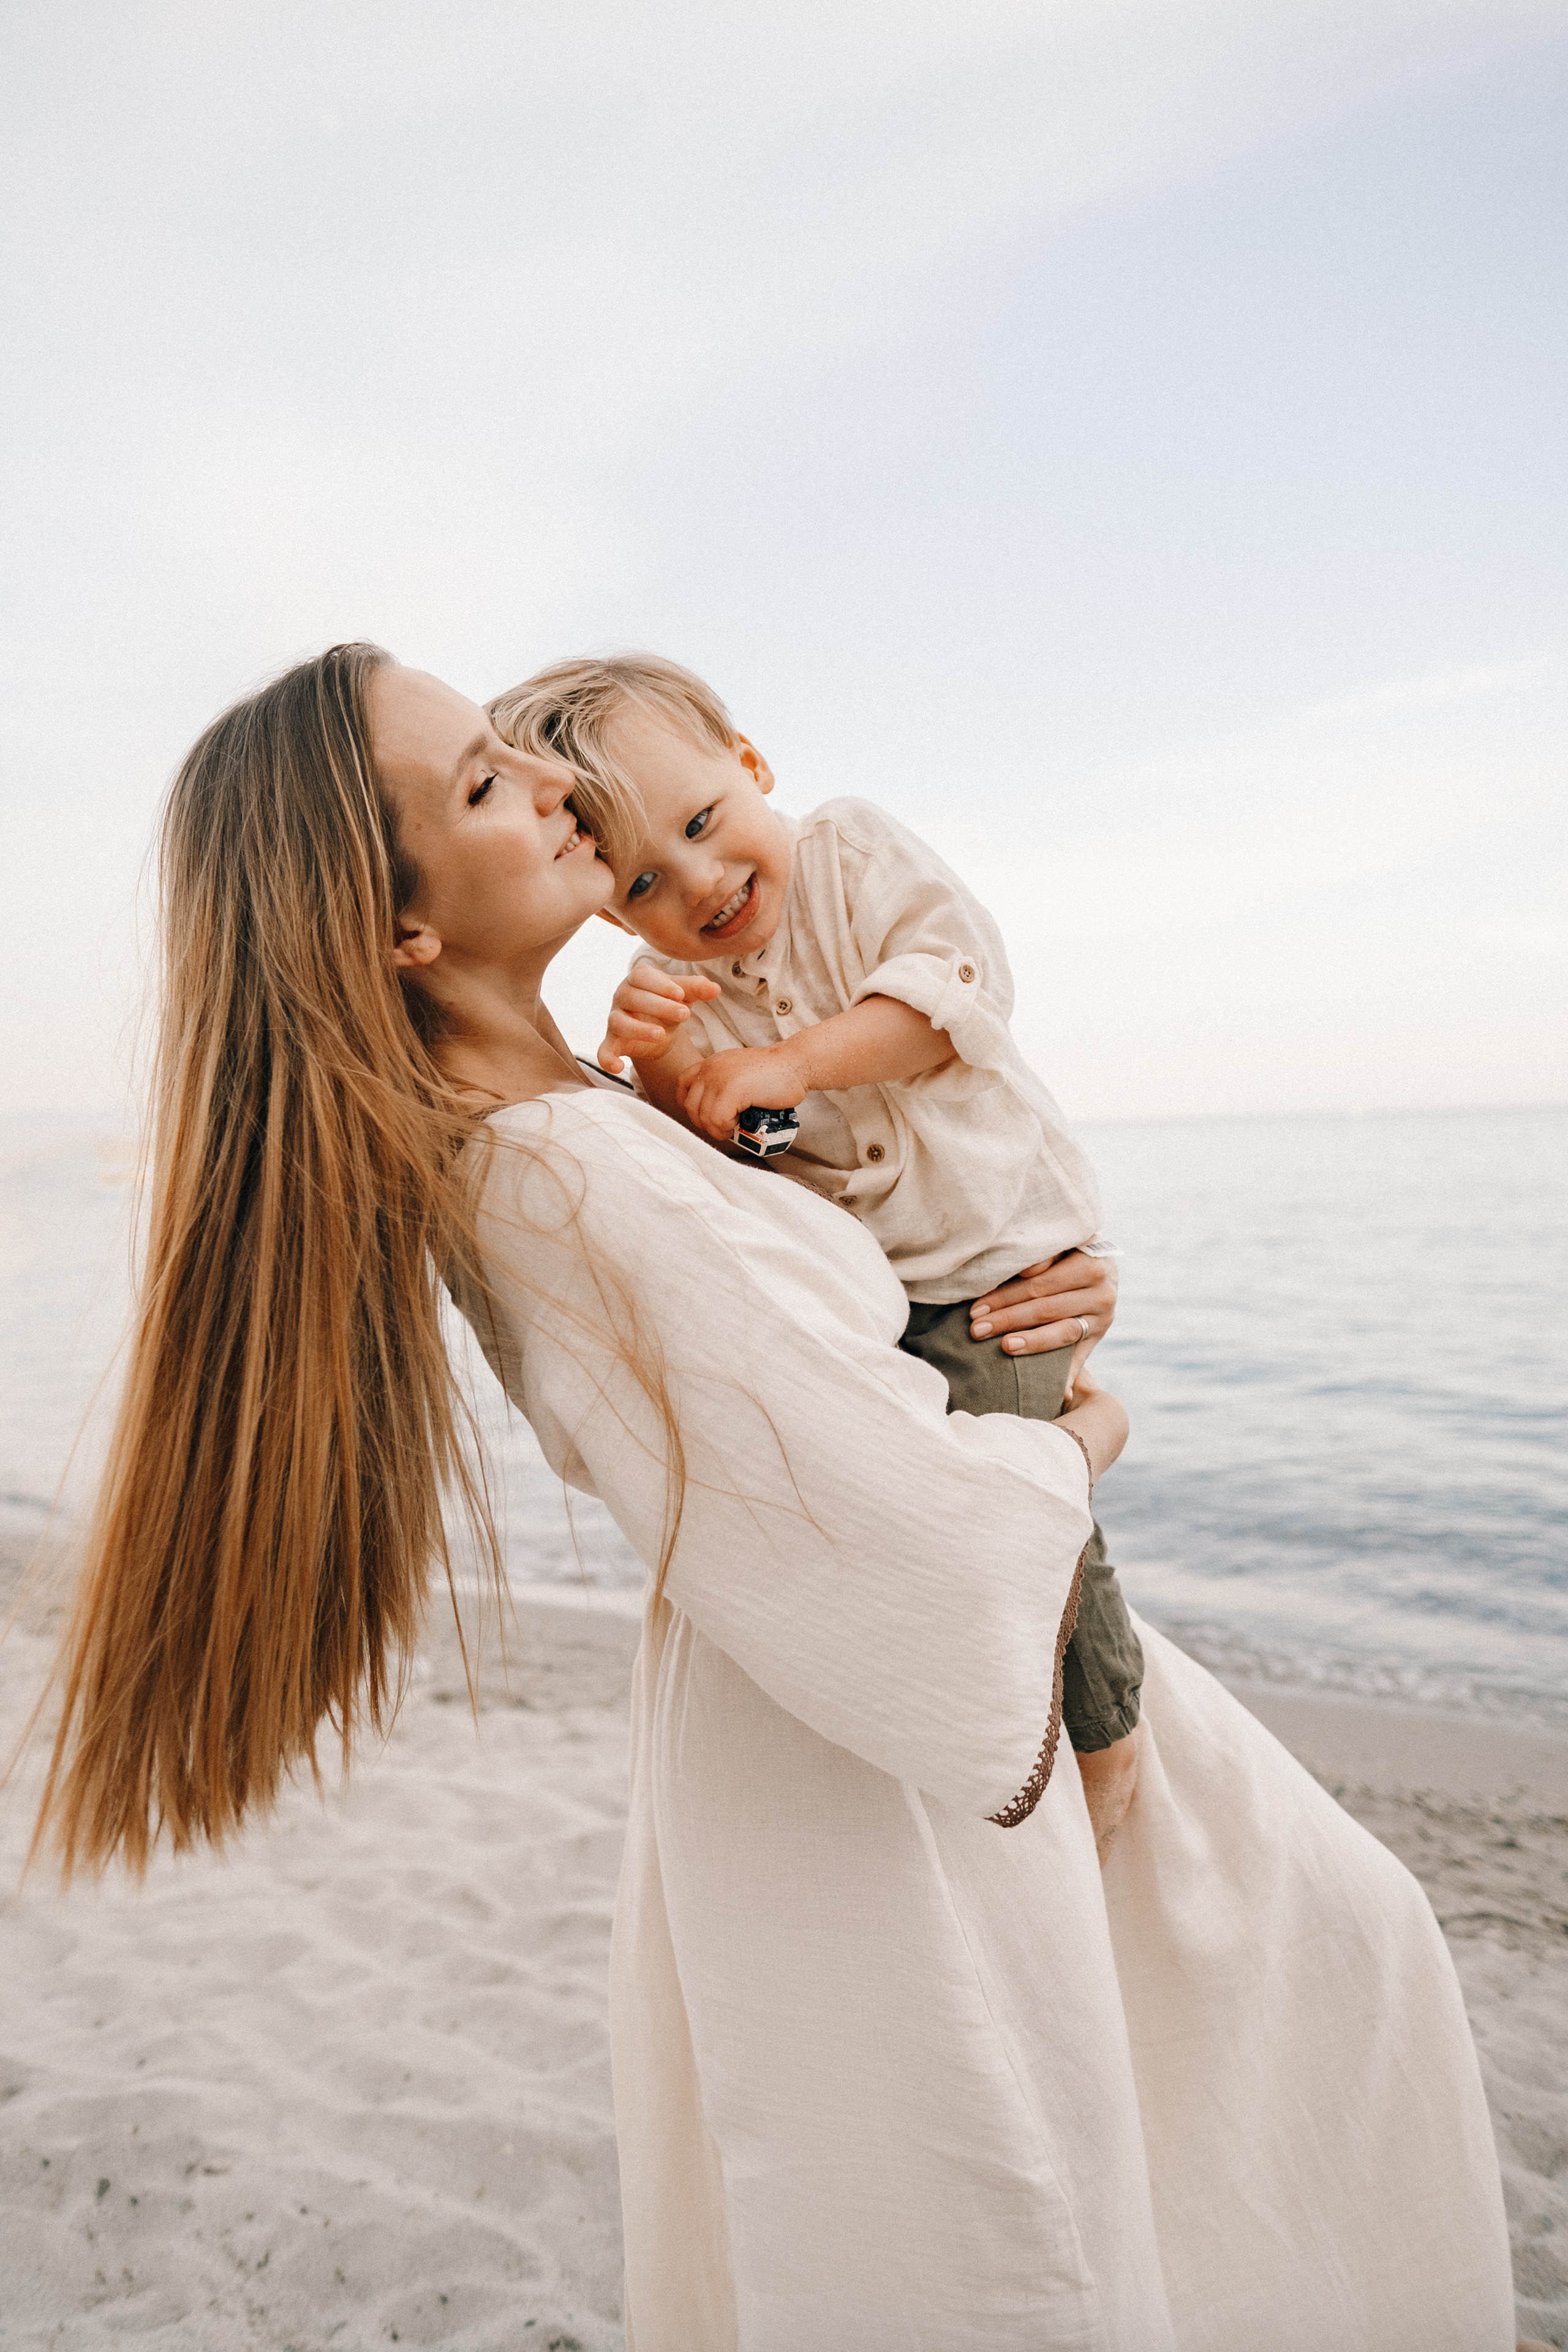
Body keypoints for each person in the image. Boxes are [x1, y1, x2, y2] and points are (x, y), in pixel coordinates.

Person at [36, 645, 1517, 2351]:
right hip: (863, 1748)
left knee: (1301, 1995)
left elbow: (830, 1294)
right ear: (400, 933)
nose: (548, 786)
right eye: (485, 787)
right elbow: (924, 1550)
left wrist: (1019, 1283)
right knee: (1131, 2126)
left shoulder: (572, 1113)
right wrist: (1082, 1429)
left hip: (818, 1688)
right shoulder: (557, 1172)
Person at [488, 654, 1144, 1856]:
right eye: (645, 878)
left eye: (704, 820)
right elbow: (769, 1160)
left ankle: (1102, 1743)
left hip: (996, 1260)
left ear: (750, 764)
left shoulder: (848, 854)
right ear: (604, 907)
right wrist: (674, 1086)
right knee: (941, 1505)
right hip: (886, 1283)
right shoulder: (674, 991)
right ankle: (991, 1737)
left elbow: (953, 999)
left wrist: (784, 1065)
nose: (701, 880)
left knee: (1023, 1505)